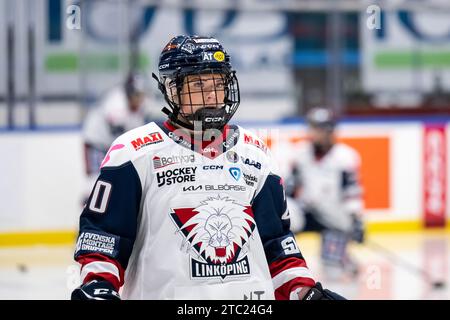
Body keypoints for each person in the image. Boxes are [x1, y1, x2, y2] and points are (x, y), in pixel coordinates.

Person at [71, 35, 344, 300]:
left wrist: (305, 293)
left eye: (218, 83)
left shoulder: (255, 152)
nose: (212, 95)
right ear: (172, 89)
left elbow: (278, 247)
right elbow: (104, 238)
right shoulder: (134, 151)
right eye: (198, 85)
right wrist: (98, 286)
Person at [286, 107, 365, 278]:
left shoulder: (346, 157)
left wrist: (356, 221)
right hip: (307, 212)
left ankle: (345, 259)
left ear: (329, 130)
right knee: (286, 218)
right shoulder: (300, 154)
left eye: (318, 128)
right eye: (312, 127)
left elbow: (352, 192)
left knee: (332, 271)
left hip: (334, 219)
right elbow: (290, 188)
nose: (313, 133)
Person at [82, 71, 151, 195]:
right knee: (96, 183)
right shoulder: (116, 102)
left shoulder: (139, 103)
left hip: (111, 144)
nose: (140, 99)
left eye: (142, 94)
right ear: (129, 92)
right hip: (96, 142)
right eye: (137, 94)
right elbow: (122, 136)